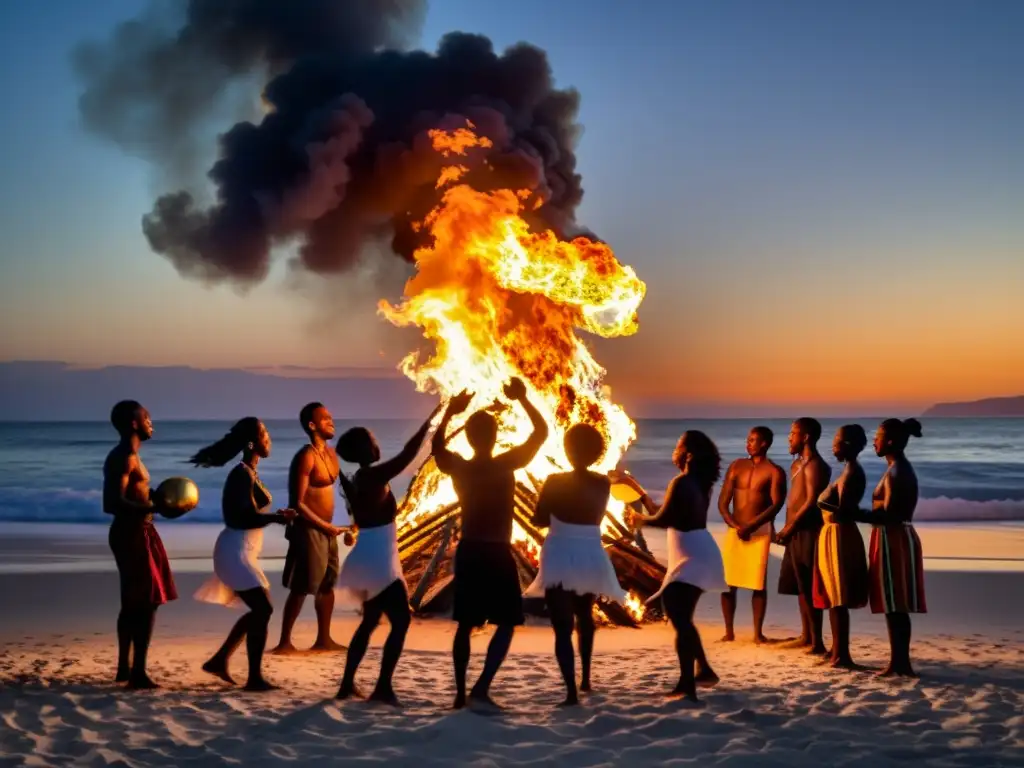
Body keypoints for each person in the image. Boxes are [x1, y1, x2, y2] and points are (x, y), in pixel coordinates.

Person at [433, 378, 549, 710]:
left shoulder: (460, 467)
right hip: (497, 552)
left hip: (470, 551)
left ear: (469, 437)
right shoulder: (505, 464)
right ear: (495, 436)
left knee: (465, 624)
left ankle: (460, 694)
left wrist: (449, 413)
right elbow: (540, 433)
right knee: (508, 622)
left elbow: (437, 448)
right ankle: (481, 687)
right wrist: (523, 399)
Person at [334, 406, 441, 706]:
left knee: (370, 622)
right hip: (379, 561)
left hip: (371, 555)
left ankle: (346, 685)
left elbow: (362, 518)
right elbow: (409, 453)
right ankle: (382, 687)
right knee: (402, 620)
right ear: (365, 449)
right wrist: (433, 418)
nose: (377, 443)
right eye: (373, 440)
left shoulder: (359, 478)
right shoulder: (373, 476)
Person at [612, 431, 725, 703]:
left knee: (680, 619)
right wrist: (644, 502)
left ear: (688, 454)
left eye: (678, 445)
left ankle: (687, 684)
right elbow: (667, 512)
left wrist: (640, 520)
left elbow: (663, 520)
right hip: (699, 550)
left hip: (692, 556)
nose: (675, 450)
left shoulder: (681, 482)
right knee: (682, 618)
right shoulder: (699, 482)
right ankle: (704, 671)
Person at [191, 418, 296, 691]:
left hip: (244, 551)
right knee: (263, 608)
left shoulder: (249, 472)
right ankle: (253, 678)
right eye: (264, 434)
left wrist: (276, 516)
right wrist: (276, 518)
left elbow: (250, 513)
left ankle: (220, 660)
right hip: (234, 551)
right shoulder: (241, 474)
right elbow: (240, 518)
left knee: (261, 609)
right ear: (251, 443)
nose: (269, 439)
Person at [524, 423, 626, 707]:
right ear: (596, 452)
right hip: (591, 552)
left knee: (562, 625)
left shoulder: (555, 481)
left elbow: (539, 519)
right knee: (585, 616)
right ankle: (586, 679)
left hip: (561, 553)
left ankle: (570, 691)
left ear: (568, 450)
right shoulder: (602, 483)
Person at [102, 400, 177, 690]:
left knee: (133, 601)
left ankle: (125, 667)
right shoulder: (124, 456)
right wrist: (152, 507)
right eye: (147, 418)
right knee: (146, 602)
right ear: (134, 423)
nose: (151, 423)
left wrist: (155, 498)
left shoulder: (131, 456)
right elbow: (112, 503)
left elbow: (133, 494)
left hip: (139, 530)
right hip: (131, 533)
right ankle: (138, 673)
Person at [273, 402, 348, 654]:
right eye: (325, 418)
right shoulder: (306, 456)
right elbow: (298, 503)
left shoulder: (332, 454)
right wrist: (325, 526)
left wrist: (352, 519)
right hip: (307, 529)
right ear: (312, 425)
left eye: (331, 417)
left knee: (327, 584)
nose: (331, 421)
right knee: (302, 586)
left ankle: (324, 639)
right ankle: (285, 642)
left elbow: (343, 489)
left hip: (328, 530)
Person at [863, 418, 926, 678]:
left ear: (889, 441)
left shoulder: (897, 472)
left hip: (894, 537)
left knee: (895, 603)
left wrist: (851, 513)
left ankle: (900, 664)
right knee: (893, 604)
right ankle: (898, 662)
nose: (874, 441)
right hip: (896, 535)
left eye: (877, 437)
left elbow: (888, 515)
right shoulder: (897, 468)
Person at [717, 426, 786, 643]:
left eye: (753, 440)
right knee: (728, 582)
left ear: (764, 443)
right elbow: (723, 503)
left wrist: (751, 526)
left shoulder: (774, 471)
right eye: (748, 439)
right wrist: (736, 526)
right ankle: (729, 632)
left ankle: (757, 633)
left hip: (759, 532)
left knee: (758, 583)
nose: (748, 443)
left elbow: (776, 504)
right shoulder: (737, 466)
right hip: (735, 530)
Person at [813, 425, 870, 669]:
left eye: (836, 440)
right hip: (833, 533)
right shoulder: (848, 470)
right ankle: (837, 651)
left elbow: (846, 511)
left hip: (838, 535)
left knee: (838, 596)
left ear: (846, 444)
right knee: (833, 594)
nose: (833, 445)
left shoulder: (852, 472)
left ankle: (841, 655)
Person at [775, 418, 831, 655]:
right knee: (799, 586)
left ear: (806, 437)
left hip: (808, 531)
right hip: (795, 530)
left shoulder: (816, 465)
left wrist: (790, 528)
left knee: (810, 585)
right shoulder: (796, 464)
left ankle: (817, 642)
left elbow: (811, 501)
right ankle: (806, 635)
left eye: (793, 433)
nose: (789, 437)